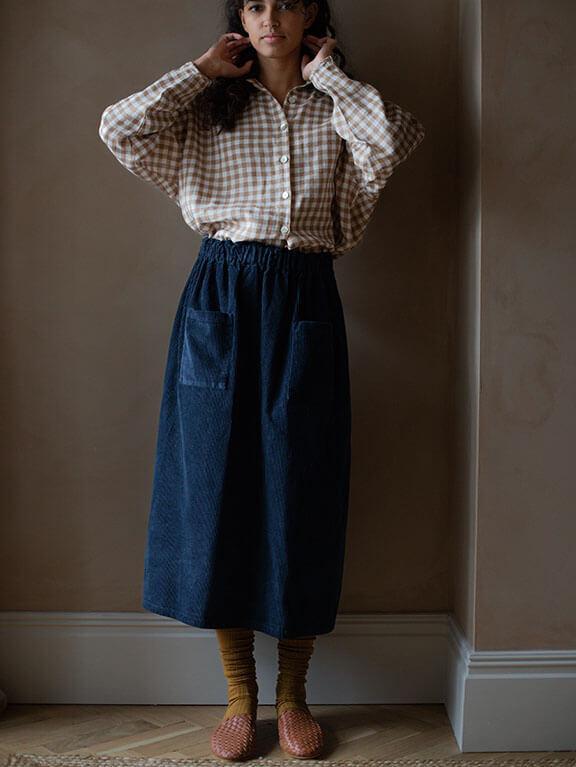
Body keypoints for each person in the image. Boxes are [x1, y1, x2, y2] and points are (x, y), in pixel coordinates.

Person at [98, 0, 425, 760]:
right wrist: (200, 71)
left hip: (306, 298)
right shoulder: (207, 108)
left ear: (311, 13)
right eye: (253, 4)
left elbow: (392, 142)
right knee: (216, 489)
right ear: (239, 19)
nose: (269, 16)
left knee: (299, 490)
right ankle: (240, 696)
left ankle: (294, 695)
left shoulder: (340, 106)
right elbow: (117, 129)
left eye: (284, 2)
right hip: (219, 298)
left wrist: (330, 76)